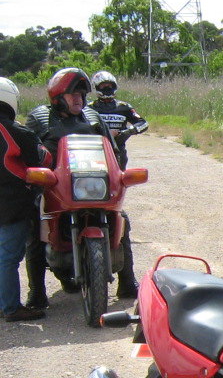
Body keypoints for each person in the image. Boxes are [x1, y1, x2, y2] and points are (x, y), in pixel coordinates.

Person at [24, 67, 138, 302]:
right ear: (58, 97)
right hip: (55, 187)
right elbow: (29, 152)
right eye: (73, 94)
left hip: (92, 183)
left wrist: (119, 175)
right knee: (34, 223)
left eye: (82, 94)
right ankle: (36, 292)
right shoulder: (40, 117)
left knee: (121, 220)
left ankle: (127, 281)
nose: (79, 99)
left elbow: (112, 151)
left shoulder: (93, 117)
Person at [0, 77, 53, 321]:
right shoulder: (14, 130)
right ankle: (10, 308)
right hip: (10, 203)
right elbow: (43, 159)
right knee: (8, 257)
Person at [88, 71, 148, 169]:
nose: (107, 89)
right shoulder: (88, 108)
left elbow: (143, 123)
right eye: (103, 86)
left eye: (109, 86)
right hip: (95, 151)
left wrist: (127, 132)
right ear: (96, 87)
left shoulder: (124, 107)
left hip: (118, 152)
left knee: (120, 177)